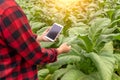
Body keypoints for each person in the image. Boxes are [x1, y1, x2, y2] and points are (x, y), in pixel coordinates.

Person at [0, 0, 71, 80]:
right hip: (16, 75)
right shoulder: (8, 9)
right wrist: (59, 51)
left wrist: (39, 38)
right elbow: (34, 55)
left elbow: (10, 35)